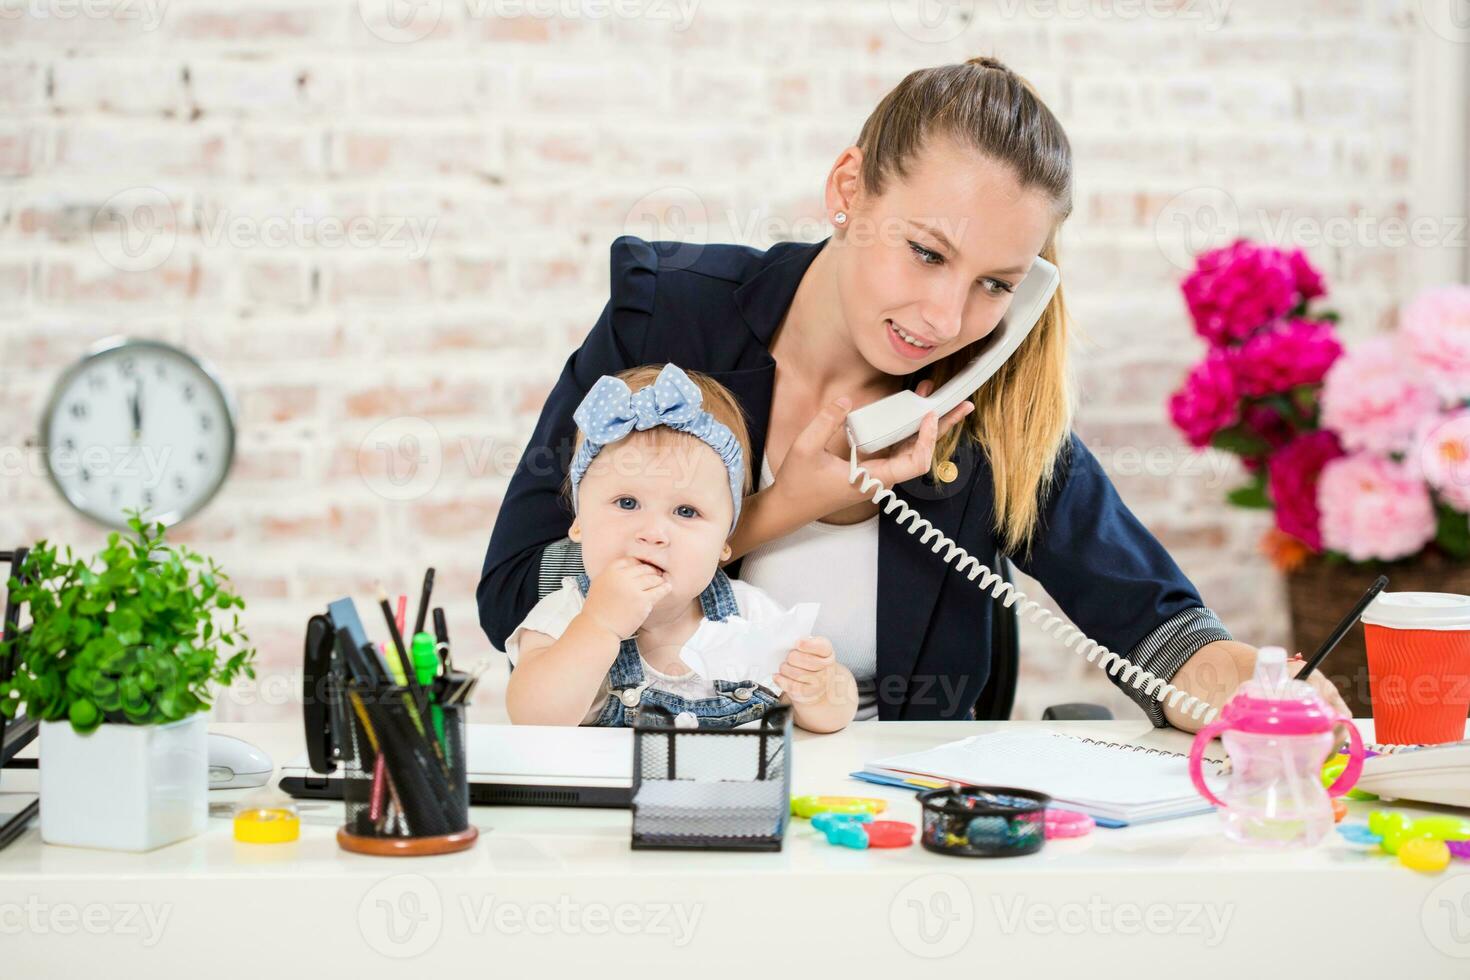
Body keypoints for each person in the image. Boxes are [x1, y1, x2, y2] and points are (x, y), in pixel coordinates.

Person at [480, 56, 1351, 730]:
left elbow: (1143, 615)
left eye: (996, 284)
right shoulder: (669, 316)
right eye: (927, 253)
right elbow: (517, 592)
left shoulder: (985, 399)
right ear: (848, 191)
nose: (943, 317)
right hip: (674, 800)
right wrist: (783, 507)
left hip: (895, 828)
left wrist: (1232, 680)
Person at [502, 363, 857, 732]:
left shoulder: (748, 617)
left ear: (725, 542)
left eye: (686, 511)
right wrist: (598, 626)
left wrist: (818, 689)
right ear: (579, 521)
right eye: (627, 503)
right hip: (617, 790)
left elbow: (833, 717)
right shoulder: (567, 616)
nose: (654, 533)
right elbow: (534, 719)